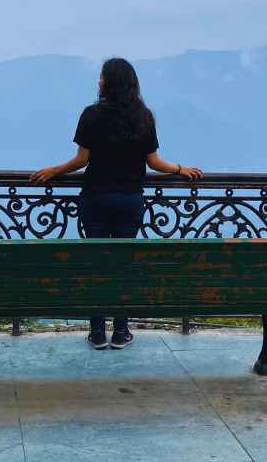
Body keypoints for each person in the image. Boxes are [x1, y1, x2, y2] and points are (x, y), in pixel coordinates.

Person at [31, 57, 202, 350]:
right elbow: (154, 162)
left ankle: (97, 331)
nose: (98, 81)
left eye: (101, 76)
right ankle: (121, 331)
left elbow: (82, 161)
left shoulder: (91, 115)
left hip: (95, 199)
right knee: (122, 264)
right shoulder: (143, 117)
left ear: (109, 82)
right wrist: (179, 169)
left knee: (97, 263)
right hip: (129, 201)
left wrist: (53, 171)